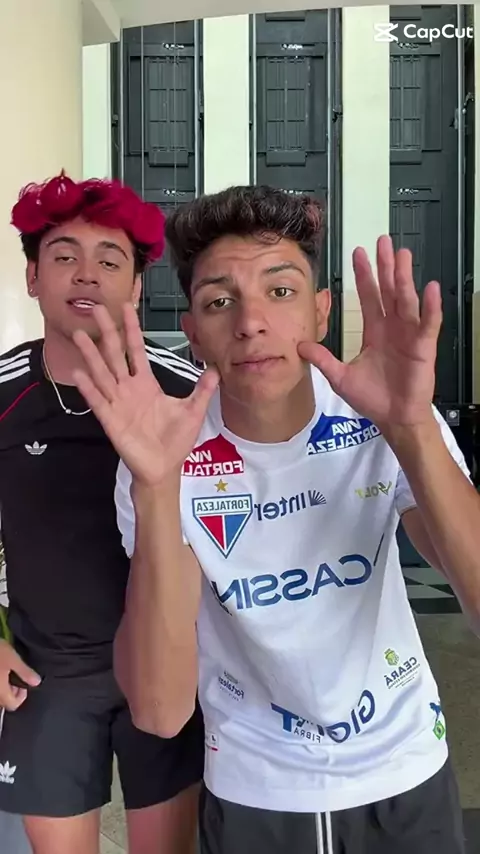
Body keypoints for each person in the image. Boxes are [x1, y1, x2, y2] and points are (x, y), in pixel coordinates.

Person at [71, 185, 480, 854]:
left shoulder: (386, 413)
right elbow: (160, 710)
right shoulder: (165, 454)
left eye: (280, 291)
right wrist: (155, 488)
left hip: (407, 771)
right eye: (219, 301)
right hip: (256, 794)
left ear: (321, 311)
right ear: (193, 332)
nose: (251, 322)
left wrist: (411, 430)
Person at [0, 172, 204, 854]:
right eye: (64, 256)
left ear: (137, 287)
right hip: (48, 675)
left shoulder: (186, 397)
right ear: (33, 277)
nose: (86, 273)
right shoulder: (3, 393)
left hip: (167, 660)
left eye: (110, 261)